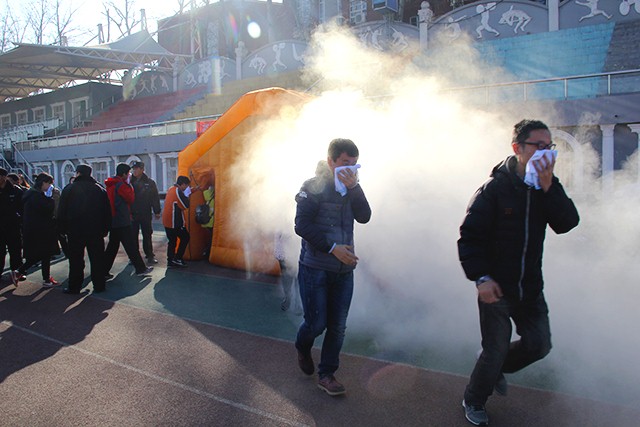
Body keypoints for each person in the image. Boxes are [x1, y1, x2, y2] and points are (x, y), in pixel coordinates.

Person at [457, 119, 580, 426]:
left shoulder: (546, 185)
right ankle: (474, 399)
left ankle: (496, 368)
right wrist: (481, 278)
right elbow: (469, 237)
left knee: (539, 345)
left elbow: (567, 223)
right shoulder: (495, 188)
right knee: (495, 349)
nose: (547, 153)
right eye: (539, 146)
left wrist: (550, 188)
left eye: (550, 146)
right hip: (496, 287)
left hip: (530, 287)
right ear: (518, 148)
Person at [294, 138, 371, 396]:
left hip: (344, 270)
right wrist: (332, 247)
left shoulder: (352, 187)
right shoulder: (312, 186)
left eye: (354, 164)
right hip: (315, 267)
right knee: (316, 324)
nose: (350, 169)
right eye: (345, 163)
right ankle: (303, 347)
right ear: (331, 161)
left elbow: (364, 216)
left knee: (338, 326)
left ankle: (327, 374)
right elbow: (301, 225)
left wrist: (355, 188)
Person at [57, 164, 111, 294]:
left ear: (78, 173)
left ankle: (74, 286)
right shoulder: (99, 189)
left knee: (76, 259)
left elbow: (61, 211)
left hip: (75, 230)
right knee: (97, 259)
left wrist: (62, 228)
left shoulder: (69, 189)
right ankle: (99, 285)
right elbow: (107, 212)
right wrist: (105, 229)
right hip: (95, 230)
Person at [104, 163, 153, 277]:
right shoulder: (122, 185)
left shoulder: (110, 184)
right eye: (128, 173)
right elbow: (130, 198)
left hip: (114, 219)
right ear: (124, 174)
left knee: (112, 247)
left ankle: (103, 270)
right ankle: (140, 268)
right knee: (131, 246)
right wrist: (129, 185)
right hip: (122, 219)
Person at [16, 173, 60, 287]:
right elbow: (47, 209)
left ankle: (46, 278)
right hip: (40, 230)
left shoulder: (31, 194)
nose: (49, 186)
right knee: (41, 254)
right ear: (43, 183)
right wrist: (49, 198)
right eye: (49, 183)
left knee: (44, 255)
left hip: (36, 229)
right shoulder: (36, 196)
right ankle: (19, 271)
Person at [130, 161, 161, 264]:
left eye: (136, 168)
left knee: (147, 234)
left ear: (142, 169)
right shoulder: (129, 182)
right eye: (133, 169)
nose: (134, 171)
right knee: (133, 236)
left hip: (145, 212)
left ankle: (149, 255)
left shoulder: (149, 182)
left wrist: (157, 211)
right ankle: (134, 257)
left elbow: (155, 197)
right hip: (133, 213)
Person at [0, 167, 25, 285]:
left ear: (4, 177)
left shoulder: (15, 191)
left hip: (13, 225)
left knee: (15, 249)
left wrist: (19, 218)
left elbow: (22, 207)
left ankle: (17, 272)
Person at [162, 175, 191, 268]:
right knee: (185, 237)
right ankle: (177, 258)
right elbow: (186, 205)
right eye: (186, 186)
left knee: (172, 241)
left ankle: (170, 261)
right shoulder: (178, 191)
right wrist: (187, 195)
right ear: (183, 184)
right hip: (174, 222)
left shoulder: (171, 189)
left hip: (167, 221)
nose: (186, 188)